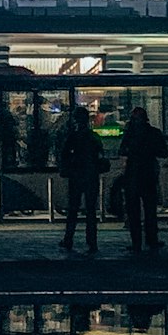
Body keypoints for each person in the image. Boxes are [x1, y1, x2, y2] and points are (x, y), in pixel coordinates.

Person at [120, 106, 168, 254]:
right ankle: (151, 239)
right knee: (150, 210)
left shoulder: (130, 134)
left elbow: (122, 151)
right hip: (148, 175)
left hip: (133, 176)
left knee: (134, 211)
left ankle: (137, 242)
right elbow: (164, 153)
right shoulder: (154, 133)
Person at [59, 107, 105, 253]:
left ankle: (68, 239)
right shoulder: (93, 137)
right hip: (91, 176)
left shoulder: (73, 137)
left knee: (73, 209)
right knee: (90, 210)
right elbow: (100, 155)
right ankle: (92, 242)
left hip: (77, 176)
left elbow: (64, 155)